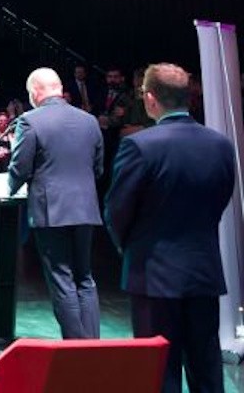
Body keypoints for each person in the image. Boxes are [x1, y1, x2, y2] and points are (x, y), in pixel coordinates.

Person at [104, 63, 235, 393]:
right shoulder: (220, 145)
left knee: (158, 375)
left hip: (153, 276)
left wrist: (129, 247)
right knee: (207, 371)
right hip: (204, 273)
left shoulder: (140, 146)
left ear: (149, 99)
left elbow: (117, 213)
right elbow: (221, 199)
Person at [8, 67, 103, 339]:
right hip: (86, 208)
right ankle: (93, 349)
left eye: (30, 94)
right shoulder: (89, 120)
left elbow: (21, 167)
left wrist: (10, 188)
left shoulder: (30, 121)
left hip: (51, 211)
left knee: (62, 279)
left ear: (36, 91)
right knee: (85, 278)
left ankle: (77, 350)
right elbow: (98, 168)